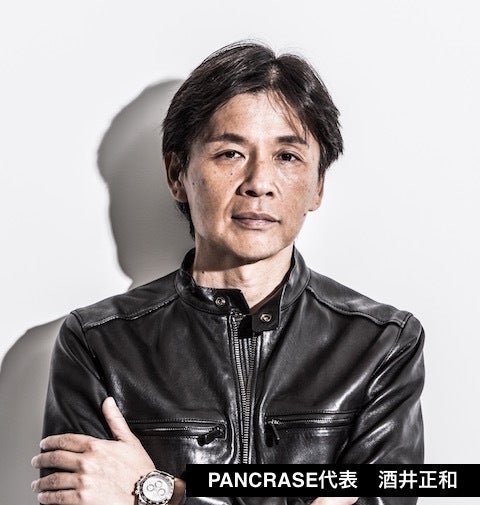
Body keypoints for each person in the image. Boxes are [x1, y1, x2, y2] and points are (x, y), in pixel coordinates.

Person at [31, 42, 424, 505]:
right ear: (177, 173)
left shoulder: (381, 344)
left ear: (318, 185)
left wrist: (161, 491)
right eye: (231, 153)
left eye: (287, 156)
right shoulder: (98, 343)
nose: (259, 183)